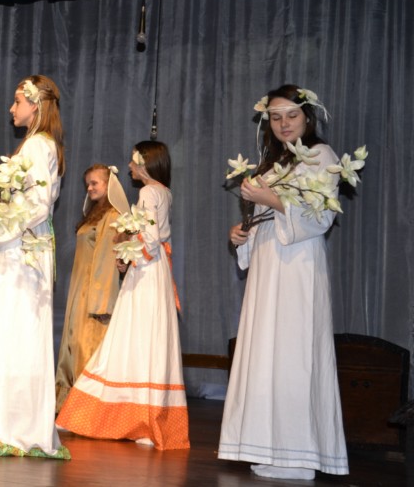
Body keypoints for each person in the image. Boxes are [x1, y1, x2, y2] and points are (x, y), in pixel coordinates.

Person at [218, 85, 349, 479]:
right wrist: (241, 233)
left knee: (294, 354)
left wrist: (271, 200)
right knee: (267, 353)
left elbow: (319, 217)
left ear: (307, 118)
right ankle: (272, 448)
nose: (284, 124)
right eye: (275, 118)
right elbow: (266, 218)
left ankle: (301, 455)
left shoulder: (321, 156)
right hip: (268, 266)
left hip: (298, 268)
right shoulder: (272, 165)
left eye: (291, 116)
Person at [56, 140, 189, 451]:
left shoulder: (148, 192)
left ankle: (129, 419)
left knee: (129, 339)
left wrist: (130, 253)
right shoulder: (164, 192)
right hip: (155, 270)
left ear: (146, 163)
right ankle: (144, 419)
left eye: (133, 161)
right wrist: (129, 252)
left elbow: (150, 239)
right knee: (145, 342)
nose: (129, 167)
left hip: (146, 272)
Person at [0, 74, 70, 459]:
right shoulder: (36, 144)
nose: (11, 108)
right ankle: (11, 421)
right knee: (12, 331)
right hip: (22, 246)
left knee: (14, 331)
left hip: (23, 250)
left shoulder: (38, 145)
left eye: (17, 101)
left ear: (36, 104)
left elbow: (38, 205)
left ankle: (14, 425)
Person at [54, 164, 129, 412]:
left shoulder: (113, 217)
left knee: (87, 345)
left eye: (95, 183)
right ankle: (70, 406)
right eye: (88, 184)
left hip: (95, 293)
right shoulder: (96, 214)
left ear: (109, 184)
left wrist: (102, 302)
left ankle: (87, 409)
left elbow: (107, 261)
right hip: (80, 289)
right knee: (74, 344)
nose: (89, 188)